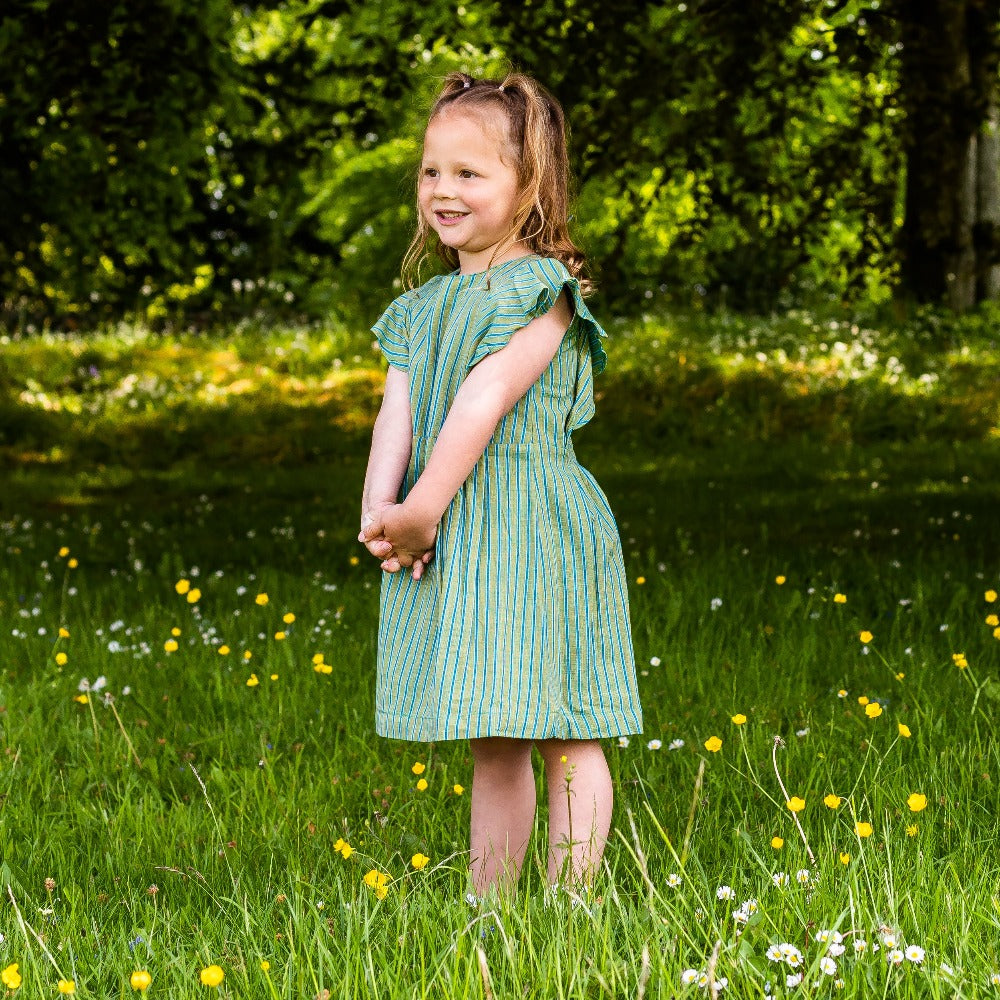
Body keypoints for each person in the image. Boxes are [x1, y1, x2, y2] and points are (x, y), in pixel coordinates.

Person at [358, 71, 643, 897]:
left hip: (532, 523)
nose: (443, 190)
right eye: (430, 172)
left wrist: (423, 507)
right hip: (454, 525)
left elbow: (485, 398)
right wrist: (383, 510)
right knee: (494, 731)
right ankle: (491, 907)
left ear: (529, 187)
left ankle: (570, 903)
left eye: (469, 173)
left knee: (565, 726)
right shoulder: (422, 306)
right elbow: (397, 413)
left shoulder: (541, 292)